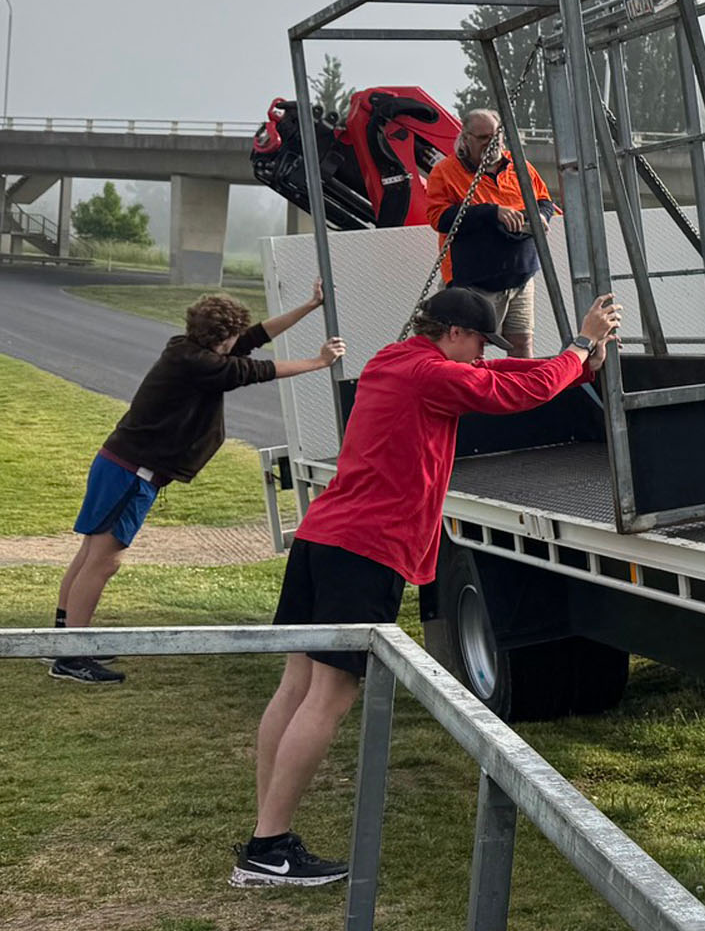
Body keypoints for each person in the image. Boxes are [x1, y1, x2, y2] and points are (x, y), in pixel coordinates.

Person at [232, 286, 617, 889]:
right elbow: (513, 392)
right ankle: (268, 846)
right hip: (366, 548)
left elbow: (507, 371)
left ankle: (265, 835)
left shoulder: (393, 358)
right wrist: (582, 343)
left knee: (297, 683)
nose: (480, 357)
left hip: (323, 537)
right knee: (330, 697)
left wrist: (572, 365)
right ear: (456, 335)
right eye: (477, 345)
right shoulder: (435, 376)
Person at [47, 285, 344, 686]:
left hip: (120, 466)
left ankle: (61, 639)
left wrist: (309, 306)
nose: (243, 341)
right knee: (103, 560)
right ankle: (71, 655)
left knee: (90, 555)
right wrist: (319, 362)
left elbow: (256, 336)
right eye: (236, 336)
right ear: (223, 338)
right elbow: (256, 370)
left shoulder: (187, 349)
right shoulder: (204, 366)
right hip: (131, 473)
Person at [413, 107, 556, 359]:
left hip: (520, 279)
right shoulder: (446, 172)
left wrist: (542, 216)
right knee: (469, 352)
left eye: (496, 137)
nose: (492, 144)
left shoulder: (519, 166)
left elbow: (544, 199)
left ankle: (524, 397)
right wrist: (491, 213)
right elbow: (439, 218)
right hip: (472, 283)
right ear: (465, 139)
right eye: (483, 138)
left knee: (522, 346)